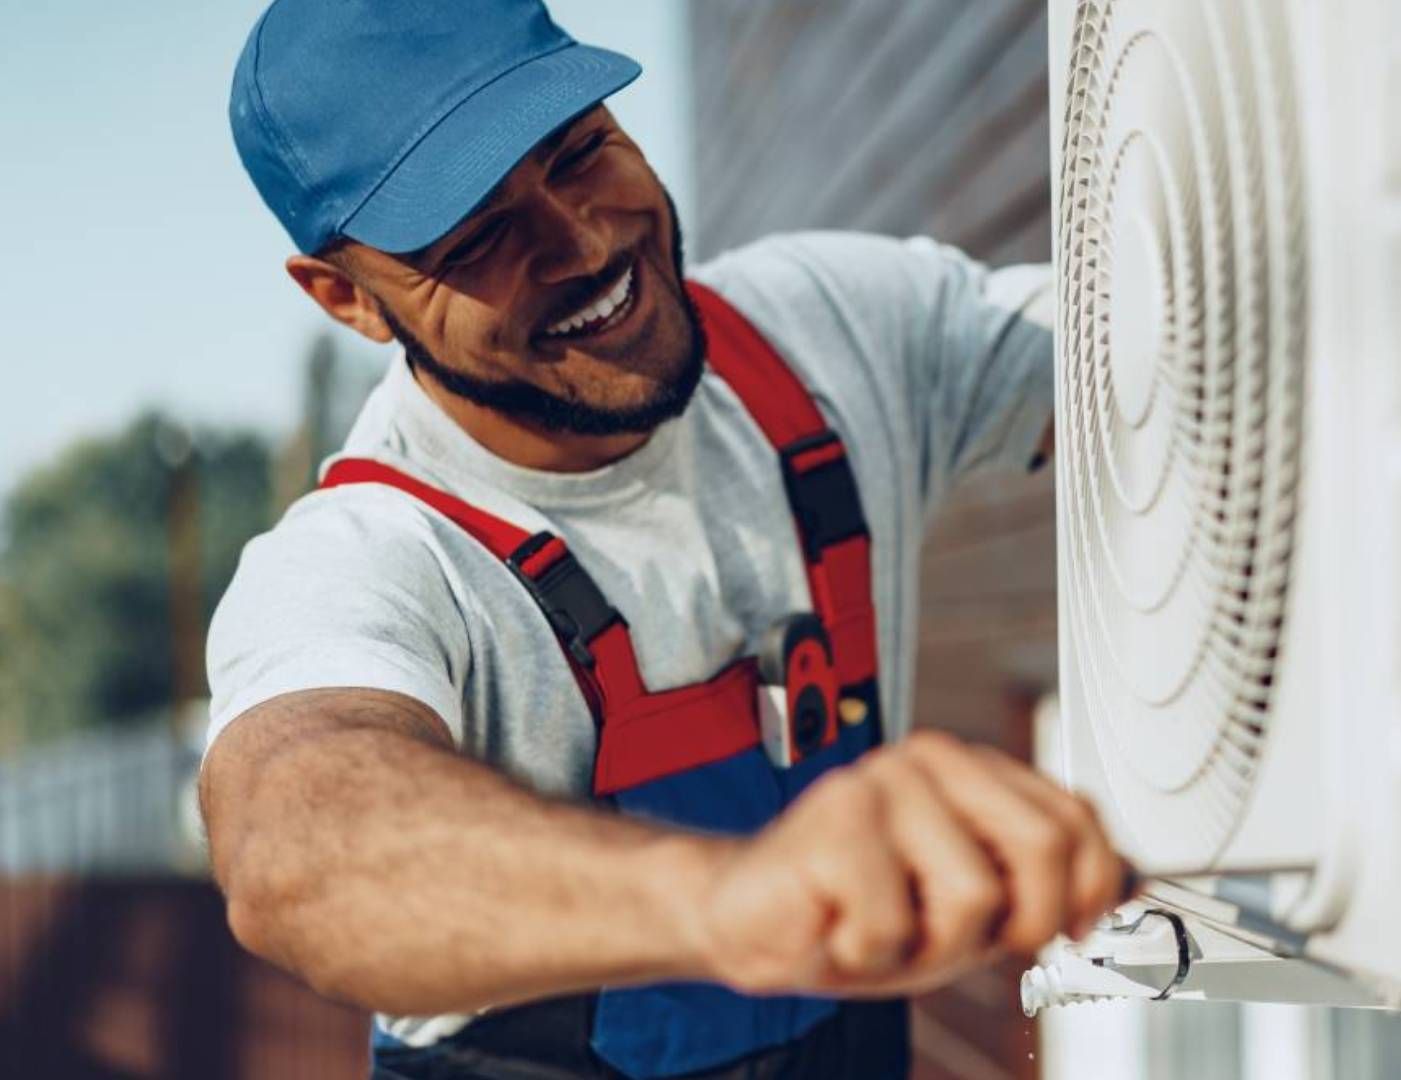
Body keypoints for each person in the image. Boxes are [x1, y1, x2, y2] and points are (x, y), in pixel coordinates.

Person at [198, 1, 1129, 1077]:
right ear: (347, 298)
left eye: (581, 150)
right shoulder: (369, 557)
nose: (584, 241)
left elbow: (1186, 353)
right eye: (480, 236)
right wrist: (735, 898)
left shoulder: (832, 331)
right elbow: (300, 850)